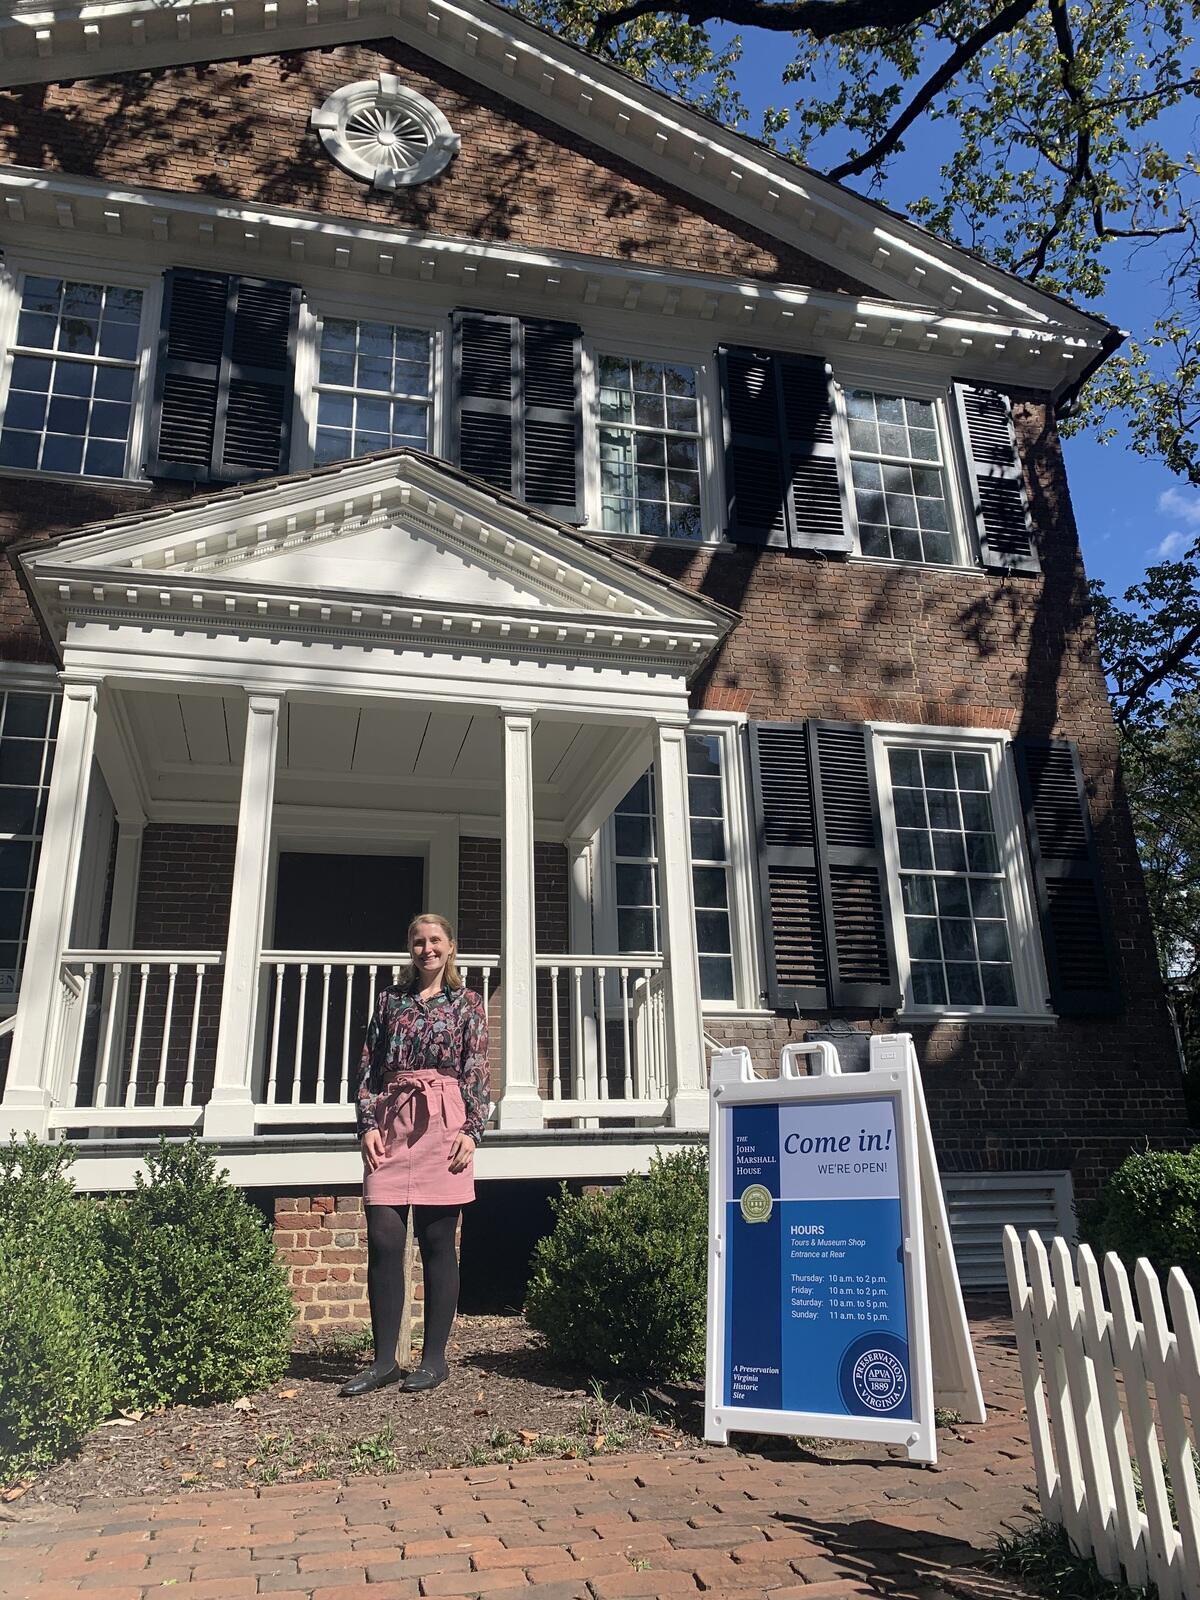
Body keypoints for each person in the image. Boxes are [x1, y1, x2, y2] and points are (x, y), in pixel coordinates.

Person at [340, 912, 489, 1397]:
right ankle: (384, 1361)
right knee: (384, 1236)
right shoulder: (390, 1001)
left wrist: (472, 1130)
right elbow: (366, 1068)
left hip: (444, 1120)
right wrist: (366, 1124)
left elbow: (477, 1071)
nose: (427, 949)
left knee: (438, 1240)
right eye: (419, 941)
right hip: (392, 1117)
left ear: (450, 947)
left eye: (436, 941)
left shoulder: (467, 1003)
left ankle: (434, 1360)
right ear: (411, 948)